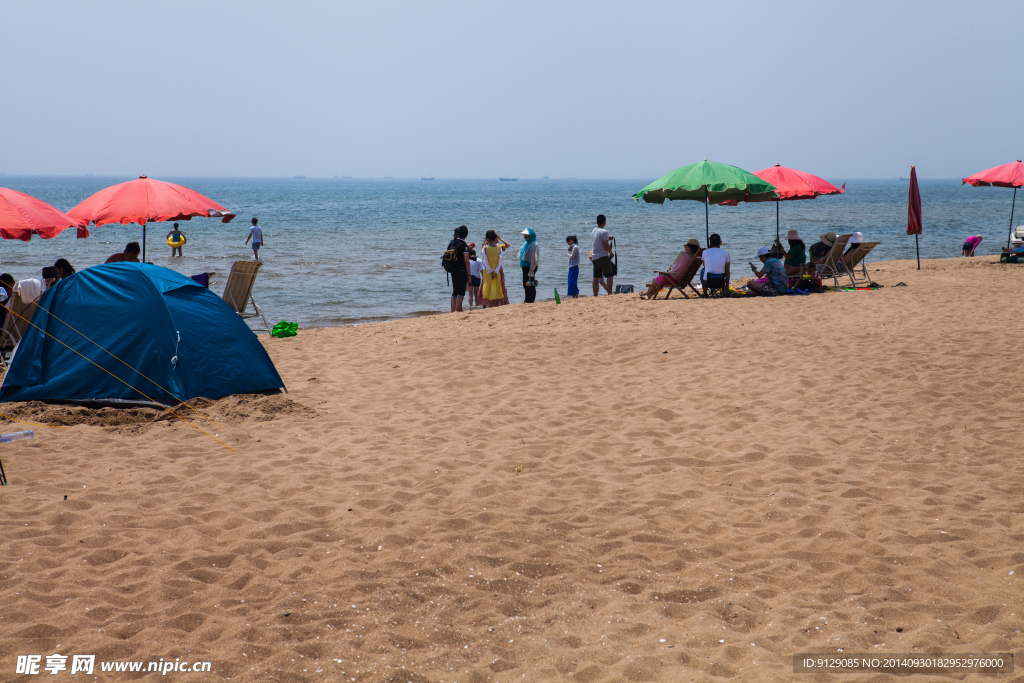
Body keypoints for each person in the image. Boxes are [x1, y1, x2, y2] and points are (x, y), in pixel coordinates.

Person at [480, 230, 510, 308]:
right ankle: (503, 306)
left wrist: (491, 271)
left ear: (487, 238)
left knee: (489, 288)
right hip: (496, 269)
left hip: (488, 270)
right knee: (498, 287)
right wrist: (496, 271)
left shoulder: (485, 248)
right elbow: (500, 261)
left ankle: (491, 307)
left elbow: (485, 261)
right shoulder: (499, 247)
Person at [446, 225, 472, 312]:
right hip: (461, 270)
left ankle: (453, 309)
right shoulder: (463, 245)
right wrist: (469, 274)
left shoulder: (452, 243)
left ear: (457, 234)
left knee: (455, 290)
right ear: (466, 235)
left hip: (452, 269)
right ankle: (458, 309)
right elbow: (466, 261)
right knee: (461, 290)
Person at [591, 215, 614, 296]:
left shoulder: (594, 230)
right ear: (605, 222)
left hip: (594, 256)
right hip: (602, 256)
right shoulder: (604, 231)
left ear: (597, 222)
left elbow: (598, 240)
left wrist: (607, 238)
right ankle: (610, 293)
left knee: (596, 276)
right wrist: (611, 253)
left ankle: (595, 294)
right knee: (610, 275)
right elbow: (606, 245)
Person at [520, 227, 540, 303]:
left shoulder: (534, 244)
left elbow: (533, 258)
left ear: (531, 235)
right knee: (525, 284)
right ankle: (527, 299)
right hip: (526, 266)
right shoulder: (527, 243)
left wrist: (531, 270)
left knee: (530, 283)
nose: (525, 236)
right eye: (524, 235)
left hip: (530, 267)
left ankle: (530, 300)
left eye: (527, 235)